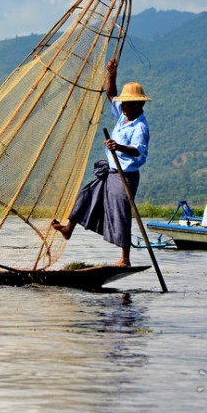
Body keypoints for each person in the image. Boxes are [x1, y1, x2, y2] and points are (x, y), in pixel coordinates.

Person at [51, 59, 150, 267]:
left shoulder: (140, 127)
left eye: (127, 103)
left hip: (126, 176)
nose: (122, 105)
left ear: (138, 104)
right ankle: (69, 229)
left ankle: (125, 259)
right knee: (86, 195)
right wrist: (112, 74)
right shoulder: (124, 117)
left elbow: (138, 151)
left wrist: (118, 147)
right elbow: (111, 94)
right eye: (123, 103)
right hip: (111, 172)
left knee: (121, 213)